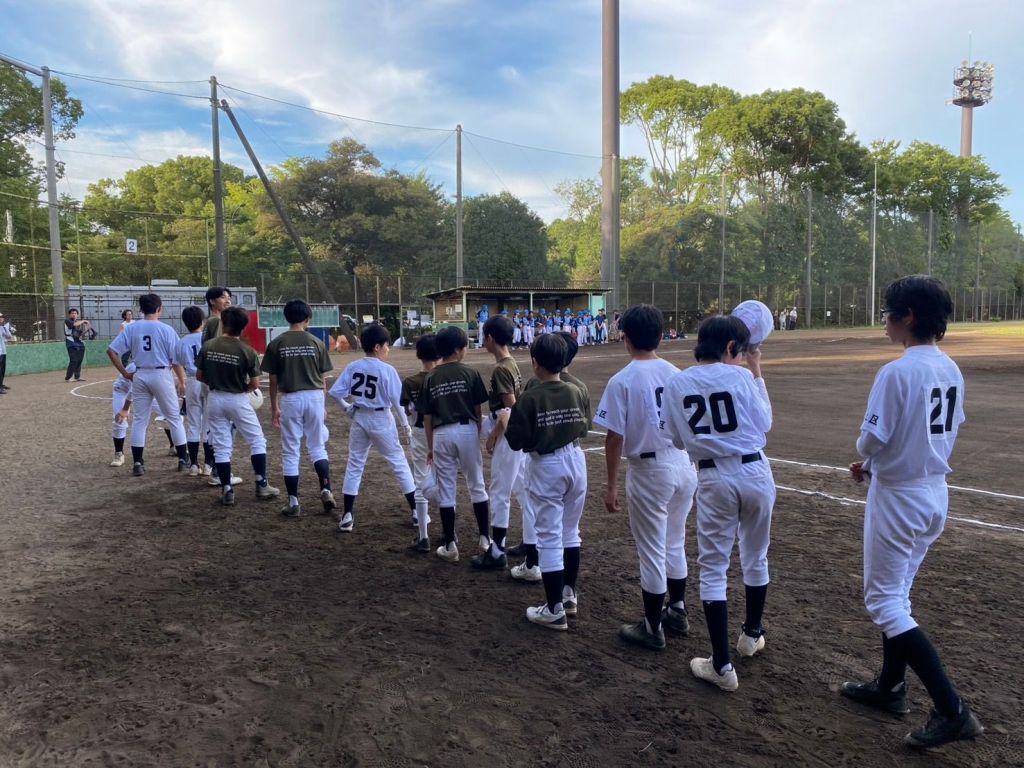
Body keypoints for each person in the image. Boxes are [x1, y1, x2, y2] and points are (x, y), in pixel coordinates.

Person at [841, 276, 983, 749]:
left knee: (884, 602)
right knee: (897, 595)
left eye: (890, 312)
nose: (885, 319)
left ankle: (952, 710)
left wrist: (869, 458)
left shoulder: (897, 372)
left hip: (900, 498)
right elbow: (931, 432)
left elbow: (871, 439)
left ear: (908, 317)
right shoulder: (950, 368)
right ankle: (890, 687)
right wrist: (875, 465)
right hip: (933, 492)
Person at [662, 315, 775, 692]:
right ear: (729, 347)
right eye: (740, 351)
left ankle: (722, 666)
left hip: (713, 477)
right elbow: (765, 423)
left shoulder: (677, 382)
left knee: (713, 568)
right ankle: (751, 634)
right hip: (756, 471)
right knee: (756, 555)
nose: (742, 357)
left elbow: (676, 440)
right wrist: (756, 373)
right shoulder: (741, 377)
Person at [596, 304, 698, 651]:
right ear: (660, 335)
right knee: (674, 541)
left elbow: (614, 437)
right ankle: (677, 610)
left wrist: (611, 485)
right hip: (683, 464)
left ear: (625, 337)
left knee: (652, 549)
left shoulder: (622, 380)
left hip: (650, 471)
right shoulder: (677, 374)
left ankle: (653, 628)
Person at [505, 334, 589, 630]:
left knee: (550, 536)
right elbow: (584, 427)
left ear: (535, 363)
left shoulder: (531, 396)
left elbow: (515, 441)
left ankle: (554, 610)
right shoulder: (576, 389)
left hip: (547, 464)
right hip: (576, 459)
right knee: (571, 531)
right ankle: (568, 595)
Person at [328, 323, 417, 533]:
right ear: (377, 347)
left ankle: (347, 515)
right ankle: (416, 511)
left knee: (355, 463)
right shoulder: (387, 370)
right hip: (381, 418)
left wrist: (347, 408)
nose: (388, 349)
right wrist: (405, 425)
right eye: (386, 345)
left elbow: (335, 392)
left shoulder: (353, 366)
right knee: (398, 462)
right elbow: (398, 402)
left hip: (360, 417)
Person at [418, 326, 490, 562]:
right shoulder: (470, 373)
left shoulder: (431, 377)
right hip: (467, 429)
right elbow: (478, 409)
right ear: (459, 350)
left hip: (441, 433)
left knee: (446, 490)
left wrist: (430, 446)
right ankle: (484, 538)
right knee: (477, 484)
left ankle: (450, 544)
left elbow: (427, 417)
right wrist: (475, 432)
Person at [195, 307, 278, 506]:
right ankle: (261, 483)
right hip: (238, 398)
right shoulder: (247, 350)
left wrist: (213, 382)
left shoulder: (209, 346)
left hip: (215, 398)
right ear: (243, 326)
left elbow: (199, 375)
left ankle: (227, 489)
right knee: (257, 440)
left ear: (223, 322)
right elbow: (255, 383)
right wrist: (244, 388)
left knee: (221, 445)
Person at [262, 300, 336, 518]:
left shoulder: (277, 343)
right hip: (314, 396)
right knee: (317, 446)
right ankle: (326, 489)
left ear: (286, 318)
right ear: (307, 319)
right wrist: (322, 405)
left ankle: (294, 502)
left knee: (291, 450)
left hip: (291, 398)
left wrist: (274, 407)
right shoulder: (316, 342)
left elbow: (273, 380)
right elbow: (323, 378)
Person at [106, 293, 190, 476]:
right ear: (159, 309)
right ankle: (183, 460)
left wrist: (125, 373)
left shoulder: (132, 328)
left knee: (140, 421)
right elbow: (176, 360)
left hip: (140, 374)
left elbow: (111, 351)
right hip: (161, 374)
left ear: (141, 309)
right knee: (174, 418)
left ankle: (138, 463)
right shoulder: (167, 329)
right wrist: (182, 381)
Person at [474, 314, 524, 570]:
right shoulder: (511, 363)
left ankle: (497, 551)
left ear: (491, 338)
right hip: (513, 433)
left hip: (507, 433)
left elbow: (510, 409)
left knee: (500, 491)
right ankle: (531, 541)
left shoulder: (501, 368)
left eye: (484, 337)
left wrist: (494, 435)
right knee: (522, 488)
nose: (484, 341)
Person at [401, 334, 440, 552]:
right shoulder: (443, 378)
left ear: (419, 355)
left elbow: (407, 410)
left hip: (419, 432)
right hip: (442, 432)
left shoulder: (410, 381)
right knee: (446, 480)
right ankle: (449, 534)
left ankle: (424, 537)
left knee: (420, 480)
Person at [175, 306, 206, 475]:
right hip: (207, 381)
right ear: (202, 321)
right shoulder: (208, 338)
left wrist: (182, 382)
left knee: (193, 423)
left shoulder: (182, 341)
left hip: (192, 381)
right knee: (208, 423)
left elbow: (176, 363)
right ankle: (209, 464)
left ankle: (194, 464)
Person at [64, 308, 89, 382]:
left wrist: (87, 328)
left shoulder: (78, 323)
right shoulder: (67, 321)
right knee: (74, 360)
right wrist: (83, 321)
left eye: (75, 313)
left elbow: (79, 334)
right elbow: (74, 324)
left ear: (77, 315)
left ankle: (77, 376)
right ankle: (68, 378)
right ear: (69, 315)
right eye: (72, 313)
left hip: (78, 342)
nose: (74, 314)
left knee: (79, 360)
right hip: (71, 342)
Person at [0, 311, 13, 393]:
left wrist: (6, 329)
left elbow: (9, 337)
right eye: (1, 317)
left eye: (2, 317)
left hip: (3, 351)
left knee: (2, 369)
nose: (2, 318)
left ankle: (1, 384)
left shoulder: (2, 328)